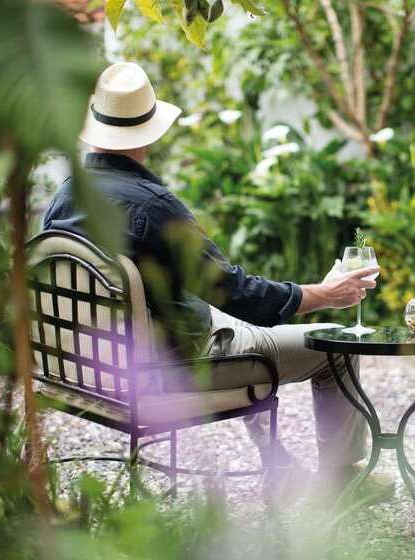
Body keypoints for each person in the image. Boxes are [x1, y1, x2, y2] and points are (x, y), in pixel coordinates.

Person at [42, 61, 391, 500]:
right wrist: (324, 295)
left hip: (87, 370)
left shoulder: (63, 197)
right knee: (334, 346)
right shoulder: (154, 207)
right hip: (168, 374)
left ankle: (277, 462)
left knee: (231, 329)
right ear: (148, 134)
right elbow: (238, 294)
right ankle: (345, 481)